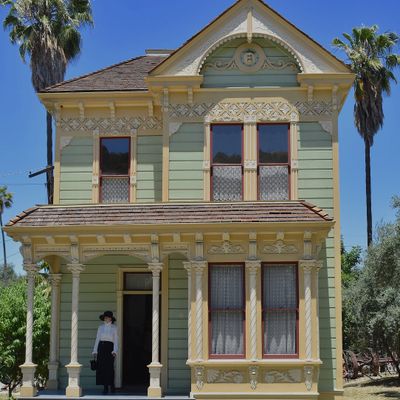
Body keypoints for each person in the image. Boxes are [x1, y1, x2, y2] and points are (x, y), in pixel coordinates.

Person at [92, 311, 118, 394]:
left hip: (110, 348)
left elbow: (116, 340)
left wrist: (115, 350)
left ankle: (112, 385)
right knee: (102, 368)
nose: (106, 319)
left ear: (111, 319)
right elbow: (97, 339)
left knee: (110, 368)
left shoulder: (114, 328)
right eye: (105, 317)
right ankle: (105, 387)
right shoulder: (101, 327)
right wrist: (95, 350)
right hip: (101, 347)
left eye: (108, 317)